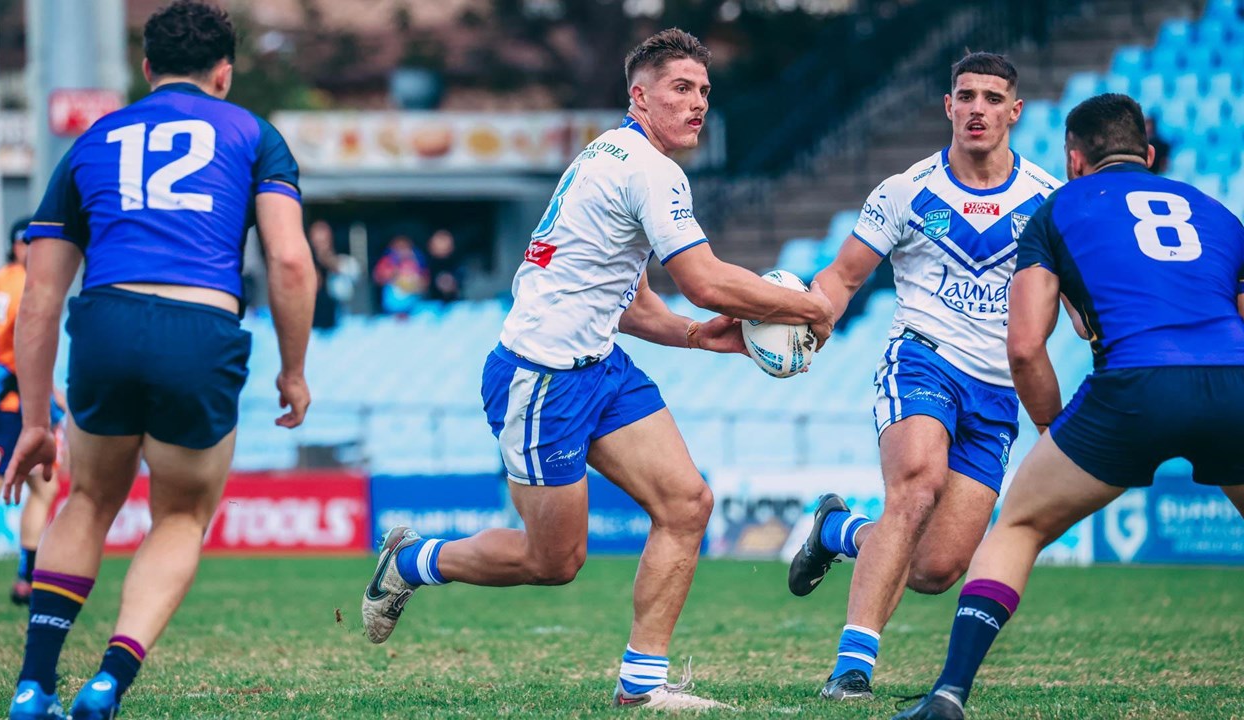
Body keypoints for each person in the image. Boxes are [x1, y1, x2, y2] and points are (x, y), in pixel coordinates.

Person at [360, 28, 834, 711]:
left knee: (686, 503)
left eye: (703, 90)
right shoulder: (647, 168)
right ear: (639, 97)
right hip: (541, 376)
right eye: (681, 88)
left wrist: (705, 339)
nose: (697, 102)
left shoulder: (613, 156)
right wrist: (806, 305)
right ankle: (410, 562)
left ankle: (641, 687)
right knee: (553, 561)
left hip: (599, 367)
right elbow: (701, 280)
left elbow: (635, 307)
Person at [3, 3, 316, 718]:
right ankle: (109, 679)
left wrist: (32, 417)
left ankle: (33, 683)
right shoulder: (254, 134)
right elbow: (291, 261)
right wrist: (293, 370)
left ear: (146, 71)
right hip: (199, 329)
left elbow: (41, 296)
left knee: (87, 499)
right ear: (224, 74)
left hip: (106, 322)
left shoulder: (91, 140)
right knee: (178, 513)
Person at [895, 92, 1244, 720]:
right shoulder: (1218, 213)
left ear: (1074, 159)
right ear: (1151, 154)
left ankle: (948, 694)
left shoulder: (1056, 208)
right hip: (1234, 382)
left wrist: (1053, 428)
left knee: (1020, 528)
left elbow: (1026, 347)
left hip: (1133, 389)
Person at [785, 51, 1062, 701]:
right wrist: (815, 320)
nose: (978, 108)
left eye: (993, 99)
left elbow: (1074, 295)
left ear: (1014, 112)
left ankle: (837, 531)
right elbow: (844, 276)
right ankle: (853, 668)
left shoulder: (1047, 200)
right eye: (966, 96)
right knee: (914, 486)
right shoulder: (906, 191)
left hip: (997, 389)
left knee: (936, 570)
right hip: (923, 357)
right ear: (948, 106)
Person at [0, 217, 66, 606]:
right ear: (21, 246)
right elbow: (31, 343)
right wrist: (52, 393)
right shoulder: (29, 284)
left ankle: (26, 577)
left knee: (45, 485)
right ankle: (27, 575)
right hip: (18, 404)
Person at [373, 234, 429, 316]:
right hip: (391, 309)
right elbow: (377, 278)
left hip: (413, 308)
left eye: (405, 247)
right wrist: (393, 275)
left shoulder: (418, 261)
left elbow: (425, 282)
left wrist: (415, 284)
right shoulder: (387, 262)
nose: (402, 251)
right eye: (398, 248)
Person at [425, 228, 463, 302]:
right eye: (440, 241)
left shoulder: (460, 266)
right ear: (430, 245)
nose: (442, 246)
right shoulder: (422, 265)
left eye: (445, 241)